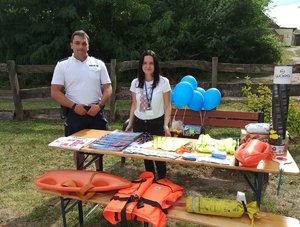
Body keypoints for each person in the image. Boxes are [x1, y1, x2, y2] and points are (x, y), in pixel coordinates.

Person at [51, 30, 112, 170]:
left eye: (84, 43)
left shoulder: (99, 64)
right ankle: (80, 174)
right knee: (77, 148)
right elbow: (55, 92)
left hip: (96, 112)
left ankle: (99, 173)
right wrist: (73, 106)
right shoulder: (62, 65)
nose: (81, 47)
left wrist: (100, 105)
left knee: (99, 147)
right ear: (71, 45)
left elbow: (108, 88)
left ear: (88, 46)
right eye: (77, 43)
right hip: (75, 113)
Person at [125, 50, 171, 179]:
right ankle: (150, 181)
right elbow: (134, 105)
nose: (148, 66)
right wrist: (130, 122)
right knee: (146, 154)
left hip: (157, 123)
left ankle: (162, 181)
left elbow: (167, 106)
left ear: (155, 65)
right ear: (141, 65)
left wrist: (166, 125)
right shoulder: (135, 83)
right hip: (140, 123)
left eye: (151, 63)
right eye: (145, 63)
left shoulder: (163, 82)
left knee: (159, 155)